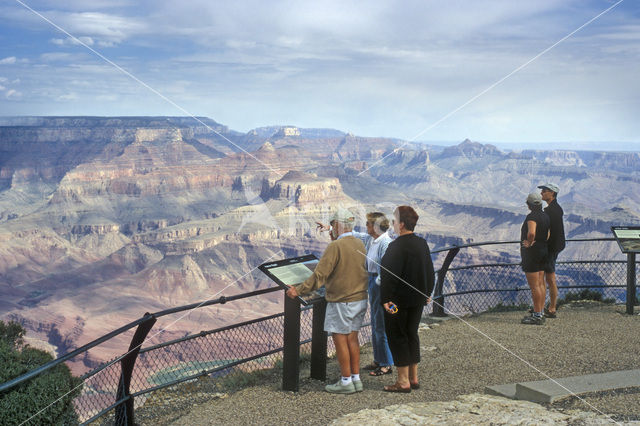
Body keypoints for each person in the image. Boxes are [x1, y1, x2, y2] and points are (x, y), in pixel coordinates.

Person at [286, 207, 368, 394]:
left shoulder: (335, 247)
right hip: (360, 298)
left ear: (338, 225)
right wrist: (332, 232)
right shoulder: (359, 243)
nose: (332, 227)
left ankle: (345, 382)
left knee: (340, 339)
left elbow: (319, 276)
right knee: (352, 339)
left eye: (333, 224)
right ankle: (356, 379)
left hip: (342, 301)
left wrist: (297, 290)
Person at [379, 206, 434, 392]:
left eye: (394, 221)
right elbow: (429, 271)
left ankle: (402, 382)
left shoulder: (396, 247)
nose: (393, 224)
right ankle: (413, 378)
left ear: (401, 224)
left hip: (396, 304)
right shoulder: (422, 244)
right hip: (418, 300)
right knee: (412, 334)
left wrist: (386, 299)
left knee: (397, 335)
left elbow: (387, 275)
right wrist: (428, 292)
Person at [352, 212, 394, 377]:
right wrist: (331, 227)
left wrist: (376, 286)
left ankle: (386, 364)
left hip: (379, 285)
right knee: (375, 323)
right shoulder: (372, 239)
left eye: (369, 224)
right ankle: (378, 359)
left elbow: (387, 271)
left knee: (381, 325)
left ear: (376, 227)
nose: (366, 227)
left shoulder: (385, 244)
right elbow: (355, 235)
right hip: (372, 282)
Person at [520, 192, 550, 325]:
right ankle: (541, 311)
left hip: (532, 253)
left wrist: (529, 242)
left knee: (534, 286)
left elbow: (531, 232)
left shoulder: (532, 217)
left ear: (530, 205)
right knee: (541, 283)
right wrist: (540, 242)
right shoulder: (545, 216)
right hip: (543, 250)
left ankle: (537, 315)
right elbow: (548, 234)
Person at [538, 183, 565, 318]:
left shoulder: (550, 211)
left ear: (552, 193)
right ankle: (543, 307)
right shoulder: (556, 209)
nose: (542, 192)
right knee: (547, 278)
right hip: (555, 246)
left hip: (550, 248)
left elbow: (547, 232)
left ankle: (551, 308)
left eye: (545, 191)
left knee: (549, 278)